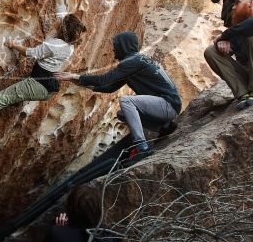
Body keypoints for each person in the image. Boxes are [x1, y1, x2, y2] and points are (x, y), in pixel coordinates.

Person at [0, 13, 86, 131]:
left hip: (38, 84)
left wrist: (14, 45)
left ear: (62, 29)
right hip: (48, 85)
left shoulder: (55, 44)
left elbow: (32, 53)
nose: (57, 20)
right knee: (7, 98)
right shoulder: (70, 45)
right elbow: (62, 10)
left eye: (60, 22)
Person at [55, 31, 181, 160]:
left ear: (123, 46)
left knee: (126, 100)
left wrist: (74, 76)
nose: (113, 49)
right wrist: (75, 81)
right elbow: (109, 88)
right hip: (168, 106)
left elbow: (103, 80)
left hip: (168, 104)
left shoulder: (132, 62)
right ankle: (165, 127)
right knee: (122, 114)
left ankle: (141, 147)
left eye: (116, 45)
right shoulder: (136, 61)